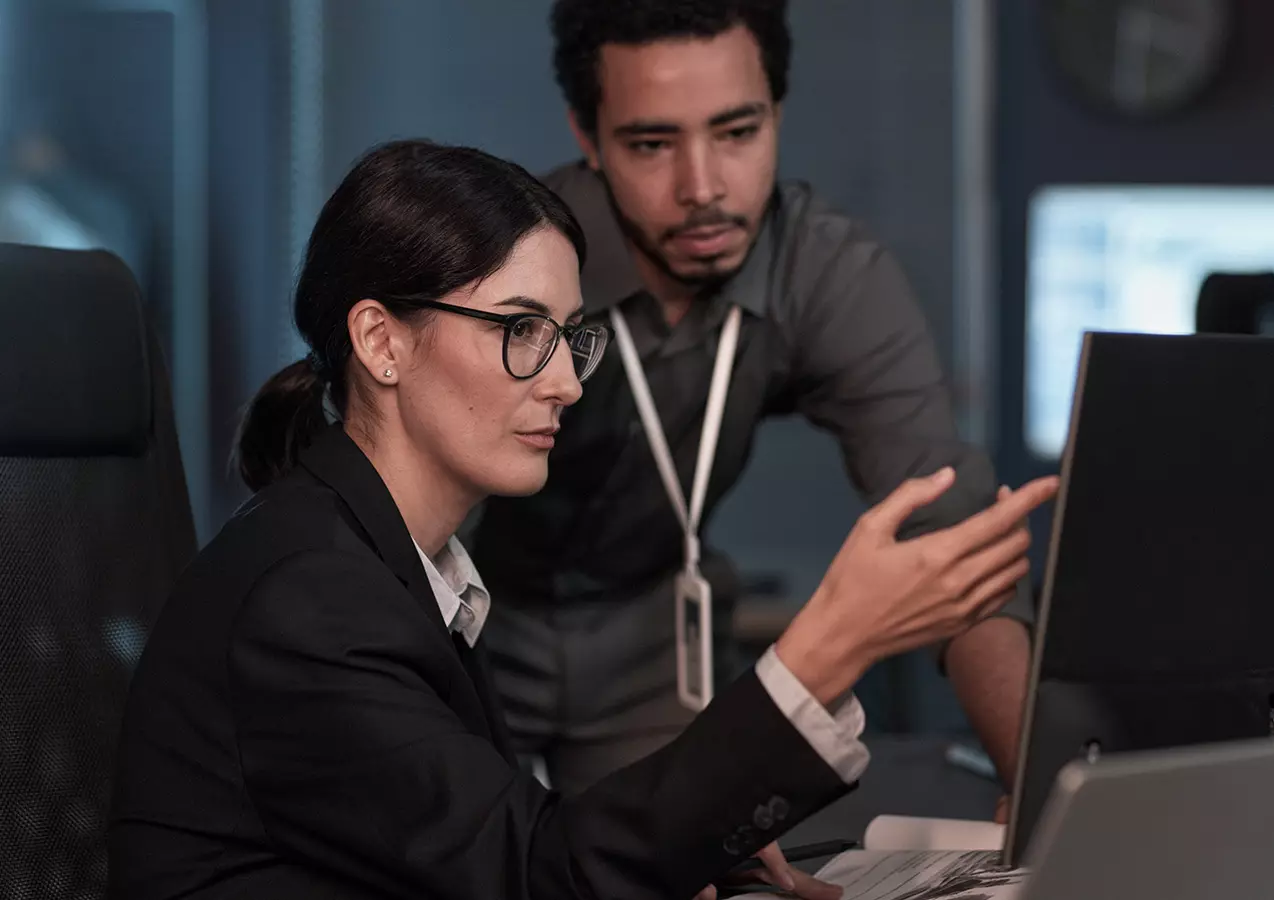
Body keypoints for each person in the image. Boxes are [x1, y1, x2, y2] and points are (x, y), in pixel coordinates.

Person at [106, 139, 1056, 900]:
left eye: (571, 336)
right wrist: (832, 643)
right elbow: (538, 874)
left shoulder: (391, 565)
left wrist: (687, 849)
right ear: (381, 341)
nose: (564, 380)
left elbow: (492, 841)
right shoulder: (311, 600)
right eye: (521, 331)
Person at [469, 0, 1037, 804]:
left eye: (738, 133)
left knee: (705, 867)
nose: (702, 187)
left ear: (776, 112)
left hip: (656, 636)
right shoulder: (507, 264)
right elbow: (395, 532)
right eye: (651, 144)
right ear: (587, 138)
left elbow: (952, 530)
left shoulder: (825, 271)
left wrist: (1046, 798)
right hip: (471, 623)